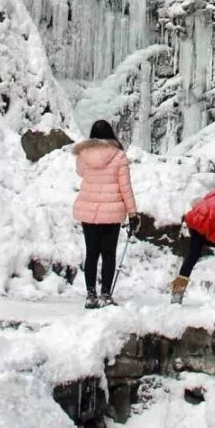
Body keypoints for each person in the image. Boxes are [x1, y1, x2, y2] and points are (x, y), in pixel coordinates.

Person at [72, 119, 138, 308]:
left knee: (92, 253)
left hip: (89, 210)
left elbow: (80, 173)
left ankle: (90, 294)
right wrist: (133, 214)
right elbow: (126, 187)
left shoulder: (83, 155)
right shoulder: (118, 156)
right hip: (112, 212)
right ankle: (106, 294)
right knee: (108, 254)